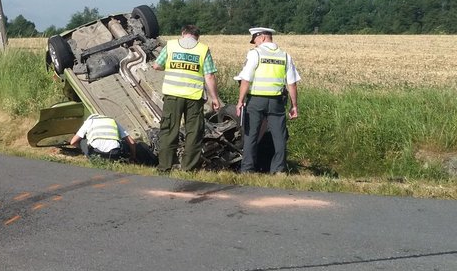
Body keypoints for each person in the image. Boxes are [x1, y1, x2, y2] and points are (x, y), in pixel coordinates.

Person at [151, 25, 222, 172]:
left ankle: (165, 167)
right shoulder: (203, 49)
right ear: (197, 36)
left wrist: (170, 67)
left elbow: (157, 65)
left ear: (183, 33)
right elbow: (209, 76)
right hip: (193, 97)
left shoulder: (171, 46)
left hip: (172, 96)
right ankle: (188, 168)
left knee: (169, 130)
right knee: (194, 132)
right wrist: (215, 98)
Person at [234, 27, 301, 174]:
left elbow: (246, 79)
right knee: (279, 137)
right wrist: (294, 105)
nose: (254, 43)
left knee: (251, 135)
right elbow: (292, 83)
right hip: (277, 102)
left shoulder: (255, 54)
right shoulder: (285, 56)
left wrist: (240, 100)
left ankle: (247, 170)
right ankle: (278, 170)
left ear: (263, 37)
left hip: (256, 100)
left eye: (255, 40)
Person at [68, 113, 137, 161]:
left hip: (96, 153)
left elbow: (73, 142)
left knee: (82, 141)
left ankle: (89, 156)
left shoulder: (89, 122)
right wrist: (133, 157)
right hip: (114, 153)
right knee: (122, 143)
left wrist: (83, 150)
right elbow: (132, 142)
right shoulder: (113, 121)